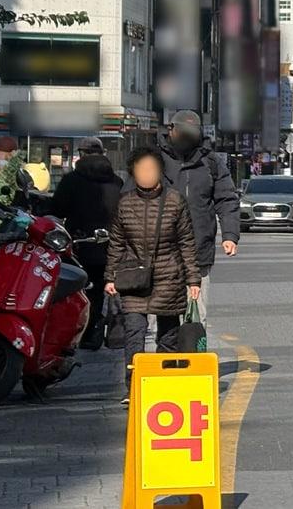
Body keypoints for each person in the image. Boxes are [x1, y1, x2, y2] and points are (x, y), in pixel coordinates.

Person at [105, 147, 200, 404]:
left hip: (169, 277)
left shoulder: (175, 201)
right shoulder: (125, 203)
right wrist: (110, 277)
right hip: (133, 279)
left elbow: (186, 243)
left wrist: (193, 279)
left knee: (168, 336)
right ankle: (134, 388)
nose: (146, 174)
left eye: (150, 169)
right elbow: (116, 243)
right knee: (134, 333)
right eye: (141, 169)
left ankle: (165, 383)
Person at [158, 111, 238, 320]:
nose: (187, 138)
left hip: (198, 251)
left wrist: (230, 235)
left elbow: (227, 199)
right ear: (171, 130)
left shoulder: (210, 162)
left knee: (195, 317)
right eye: (183, 133)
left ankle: (191, 351)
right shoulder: (153, 160)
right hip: (159, 253)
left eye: (191, 134)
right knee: (159, 319)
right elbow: (130, 201)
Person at [50, 138, 122, 349]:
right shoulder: (116, 182)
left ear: (81, 155)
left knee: (74, 288)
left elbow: (57, 210)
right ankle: (95, 331)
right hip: (108, 244)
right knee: (100, 289)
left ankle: (77, 331)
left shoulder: (71, 180)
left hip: (78, 244)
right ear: (103, 154)